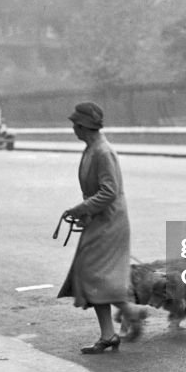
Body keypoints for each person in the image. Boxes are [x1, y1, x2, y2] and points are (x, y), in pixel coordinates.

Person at [57, 102, 138, 354]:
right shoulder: (92, 148)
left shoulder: (103, 152)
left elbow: (109, 192)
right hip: (99, 220)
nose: (73, 128)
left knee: (95, 273)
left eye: (75, 125)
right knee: (90, 272)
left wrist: (81, 209)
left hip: (110, 222)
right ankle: (109, 334)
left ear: (84, 127)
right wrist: (85, 212)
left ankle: (131, 312)